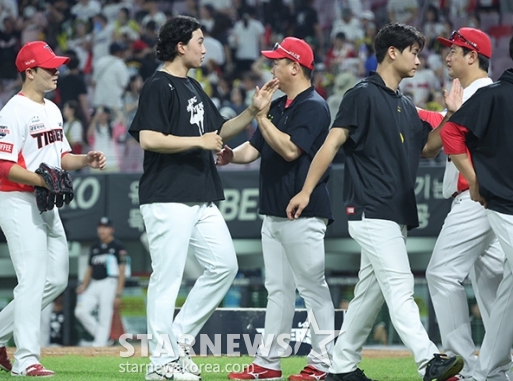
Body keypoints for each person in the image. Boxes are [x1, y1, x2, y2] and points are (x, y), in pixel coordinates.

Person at [286, 23, 464, 381]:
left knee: (369, 294)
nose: (419, 58)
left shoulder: (404, 103)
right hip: (369, 207)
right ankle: (429, 359)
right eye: (413, 51)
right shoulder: (361, 94)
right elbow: (331, 144)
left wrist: (449, 115)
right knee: (400, 285)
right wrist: (306, 190)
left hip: (394, 211)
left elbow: (428, 147)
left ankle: (341, 366)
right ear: (392, 52)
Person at [128, 15, 278, 381]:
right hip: (167, 195)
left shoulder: (192, 86)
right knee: (167, 279)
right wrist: (199, 141)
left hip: (200, 194)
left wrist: (252, 112)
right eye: (198, 40)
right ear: (180, 46)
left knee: (225, 266)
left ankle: (177, 342)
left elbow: (219, 131)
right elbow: (148, 138)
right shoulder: (158, 85)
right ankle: (160, 365)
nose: (204, 47)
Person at [0, 41, 106, 377]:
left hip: (45, 203)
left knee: (56, 279)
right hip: (17, 201)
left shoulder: (52, 109)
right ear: (30, 71)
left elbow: (62, 157)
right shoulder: (12, 112)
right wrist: (41, 180)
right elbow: (1, 165)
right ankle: (26, 359)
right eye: (49, 67)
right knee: (31, 280)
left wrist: (85, 159)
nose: (56, 71)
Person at [220, 37, 336, 381]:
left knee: (313, 288)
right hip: (273, 211)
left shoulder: (314, 106)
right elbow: (252, 150)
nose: (272, 68)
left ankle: (323, 363)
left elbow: (289, 150)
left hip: (304, 210)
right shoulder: (279, 105)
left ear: (294, 67)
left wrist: (260, 115)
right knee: (279, 290)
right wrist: (230, 155)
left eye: (277, 62)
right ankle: (268, 363)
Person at [417, 27, 510, 381]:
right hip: (485, 198)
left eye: (455, 49)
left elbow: (441, 143)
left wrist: (451, 115)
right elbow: (430, 142)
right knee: (492, 284)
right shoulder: (468, 94)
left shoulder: (485, 93)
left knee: (442, 273)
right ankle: (498, 370)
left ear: (474, 56)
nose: (448, 55)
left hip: (476, 197)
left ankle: (464, 365)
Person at [74, 216, 128, 347]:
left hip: (109, 283)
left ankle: (99, 345)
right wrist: (84, 285)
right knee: (80, 312)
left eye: (105, 227)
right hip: (94, 283)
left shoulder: (118, 247)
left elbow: (122, 272)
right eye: (100, 227)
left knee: (105, 315)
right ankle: (104, 339)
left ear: (111, 230)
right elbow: (90, 269)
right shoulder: (95, 246)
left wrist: (118, 294)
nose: (102, 230)